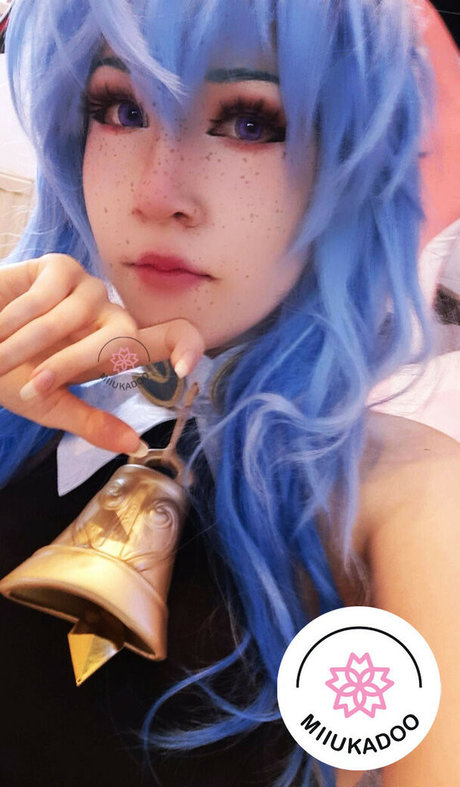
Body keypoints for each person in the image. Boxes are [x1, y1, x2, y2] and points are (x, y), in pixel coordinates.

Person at [0, 1, 458, 785]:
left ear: (348, 167)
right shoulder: (41, 381)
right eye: (121, 109)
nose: (158, 192)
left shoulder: (401, 500)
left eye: (250, 122)